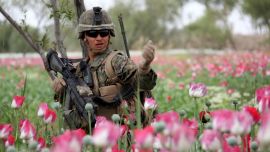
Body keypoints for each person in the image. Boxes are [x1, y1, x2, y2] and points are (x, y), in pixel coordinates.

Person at [52, 7, 157, 130]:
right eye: (92, 34)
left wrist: (144, 67)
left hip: (122, 136)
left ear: (109, 35)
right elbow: (66, 105)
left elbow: (140, 81)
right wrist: (60, 89)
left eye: (104, 33)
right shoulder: (78, 70)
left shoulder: (117, 61)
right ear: (84, 37)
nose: (99, 38)